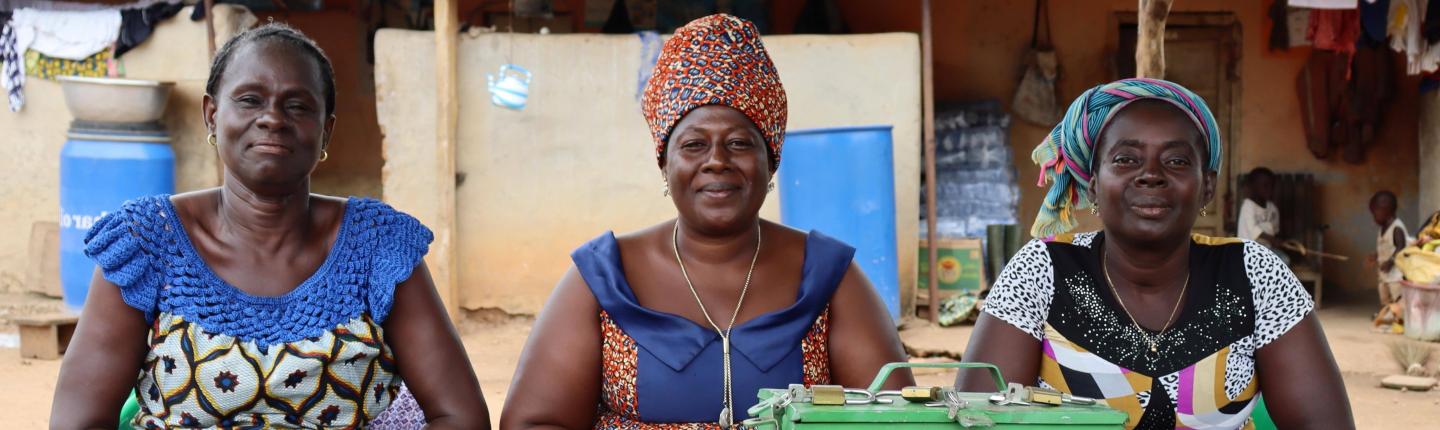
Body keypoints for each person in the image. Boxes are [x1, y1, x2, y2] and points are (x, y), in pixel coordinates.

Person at [49, 23, 488, 429]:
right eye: (250, 99)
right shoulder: (147, 241)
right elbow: (78, 422)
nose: (273, 119)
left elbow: (460, 416)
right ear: (211, 115)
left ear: (326, 132)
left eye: (298, 106)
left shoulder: (379, 246)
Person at [500, 14, 911, 429]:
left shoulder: (827, 278)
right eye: (694, 145)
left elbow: (897, 421)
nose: (716, 161)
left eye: (738, 143)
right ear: (665, 164)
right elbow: (535, 422)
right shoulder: (604, 278)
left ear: (771, 163)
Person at [959, 78, 1353, 429]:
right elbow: (977, 419)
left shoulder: (1254, 275)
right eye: (1126, 159)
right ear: (1094, 185)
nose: (1151, 174)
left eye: (1176, 160)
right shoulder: (1042, 269)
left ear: (1207, 187)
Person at [1368, 191, 1409, 319]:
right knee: (1384, 295)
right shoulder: (1383, 228)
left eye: (1375, 213)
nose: (1373, 217)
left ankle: (1399, 317)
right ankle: (1387, 313)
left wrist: (1391, 261)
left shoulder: (1397, 228)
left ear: (1386, 210)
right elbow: (1386, 247)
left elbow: (1401, 247)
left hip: (1396, 273)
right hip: (1385, 273)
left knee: (1396, 295)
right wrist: (1376, 255)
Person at [1237, 167, 1280, 247]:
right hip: (1248, 249)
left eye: (1272, 185)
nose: (1270, 189)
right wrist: (1272, 240)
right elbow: (1253, 230)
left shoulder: (1272, 208)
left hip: (1266, 249)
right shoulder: (1248, 206)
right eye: (1265, 186)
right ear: (1254, 187)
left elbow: (1275, 230)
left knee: (1284, 259)